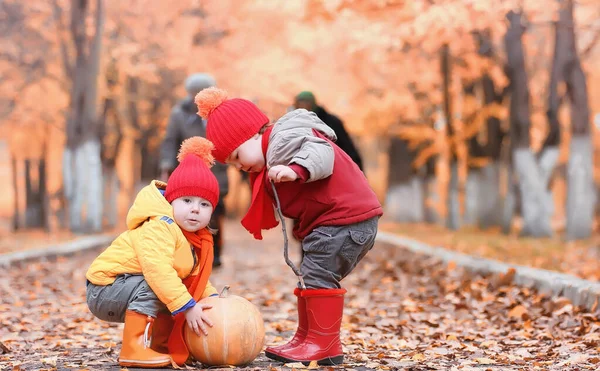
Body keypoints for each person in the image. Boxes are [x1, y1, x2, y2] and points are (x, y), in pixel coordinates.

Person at [195, 87, 383, 366]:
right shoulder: (272, 151)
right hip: (337, 221)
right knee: (310, 274)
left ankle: (323, 344)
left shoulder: (285, 139)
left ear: (253, 135)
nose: (237, 166)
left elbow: (320, 152)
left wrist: (297, 169)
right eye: (231, 163)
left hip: (346, 219)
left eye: (236, 156)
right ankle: (308, 337)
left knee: (317, 274)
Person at [86, 137, 221, 368]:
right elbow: (157, 270)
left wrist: (214, 301)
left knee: (174, 288)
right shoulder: (160, 225)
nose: (195, 209)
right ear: (171, 201)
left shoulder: (195, 239)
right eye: (187, 200)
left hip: (127, 288)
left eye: (204, 204)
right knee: (162, 283)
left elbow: (193, 279)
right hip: (105, 290)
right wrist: (188, 306)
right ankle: (133, 347)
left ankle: (160, 346)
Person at [160, 73, 228, 268]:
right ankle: (191, 253)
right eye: (194, 93)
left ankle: (215, 253)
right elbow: (170, 141)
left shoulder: (220, 111)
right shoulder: (179, 113)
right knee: (190, 210)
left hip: (217, 170)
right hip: (188, 172)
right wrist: (167, 164)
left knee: (216, 212)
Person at [294, 91, 364, 171]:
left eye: (304, 103)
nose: (301, 107)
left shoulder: (331, 122)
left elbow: (346, 146)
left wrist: (356, 169)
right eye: (298, 104)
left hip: (334, 166)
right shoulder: (297, 122)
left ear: (311, 104)